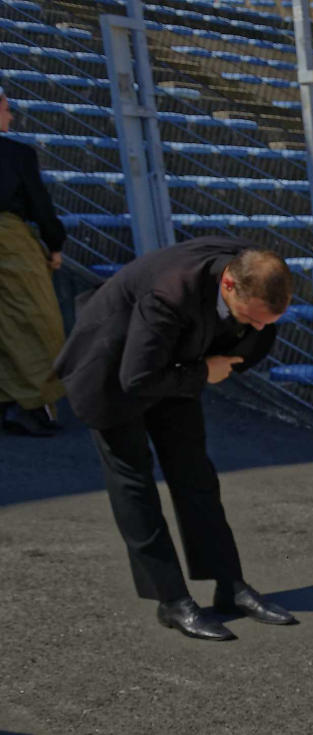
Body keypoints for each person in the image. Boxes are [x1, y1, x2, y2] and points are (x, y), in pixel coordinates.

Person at [55, 238, 299, 642]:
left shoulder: (252, 270)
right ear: (228, 285)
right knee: (135, 484)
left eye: (266, 322)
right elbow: (137, 378)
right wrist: (203, 372)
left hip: (175, 362)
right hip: (112, 372)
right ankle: (171, 600)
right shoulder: (169, 292)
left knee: (195, 474)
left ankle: (229, 586)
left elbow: (252, 332)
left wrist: (212, 363)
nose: (258, 328)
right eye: (250, 318)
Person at [0, 85, 68, 438]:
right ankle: (29, 404)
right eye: (6, 109)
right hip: (9, 241)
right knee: (37, 321)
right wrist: (54, 244)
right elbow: (40, 205)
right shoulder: (15, 154)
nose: (11, 116)